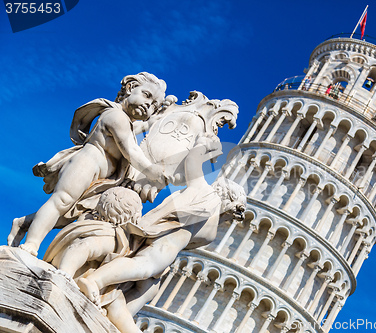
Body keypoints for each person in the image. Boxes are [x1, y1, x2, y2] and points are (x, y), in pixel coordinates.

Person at [76, 135, 246, 332]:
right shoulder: (206, 195)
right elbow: (192, 162)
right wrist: (203, 146)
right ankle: (94, 281)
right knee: (142, 267)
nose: (230, 218)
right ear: (229, 199)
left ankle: (114, 317)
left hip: (168, 256)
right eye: (233, 212)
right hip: (163, 246)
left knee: (149, 290)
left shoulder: (213, 222)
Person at [11, 72, 167, 256]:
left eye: (153, 106)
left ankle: (23, 222)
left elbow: (140, 131)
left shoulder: (130, 126)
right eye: (147, 96)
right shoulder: (115, 115)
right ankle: (32, 244)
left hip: (102, 178)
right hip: (87, 163)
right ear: (131, 88)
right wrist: (151, 171)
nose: (148, 105)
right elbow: (131, 151)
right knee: (61, 201)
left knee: (65, 217)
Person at [43, 187, 143, 280]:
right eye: (139, 212)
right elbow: (84, 246)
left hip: (56, 262)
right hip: (64, 272)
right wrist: (65, 271)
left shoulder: (87, 222)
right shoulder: (109, 235)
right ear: (131, 215)